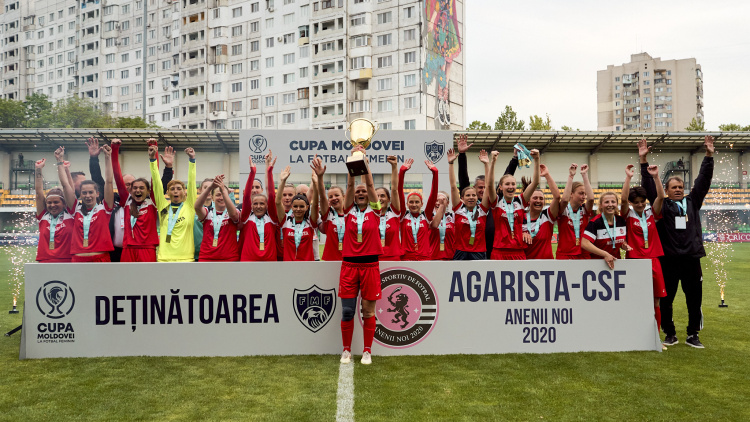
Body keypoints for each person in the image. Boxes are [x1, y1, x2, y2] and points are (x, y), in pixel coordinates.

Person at [640, 136, 715, 348]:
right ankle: (670, 333)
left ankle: (693, 335)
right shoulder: (662, 205)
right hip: (669, 260)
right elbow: (649, 188)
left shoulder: (692, 202)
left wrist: (708, 155)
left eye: (681, 186)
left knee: (694, 300)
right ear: (667, 188)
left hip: (691, 259)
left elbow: (703, 180)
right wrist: (643, 162)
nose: (678, 189)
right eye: (674, 187)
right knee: (666, 300)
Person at [338, 147, 383, 365]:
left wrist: (364, 162)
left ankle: (367, 351)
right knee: (347, 310)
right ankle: (346, 350)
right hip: (349, 265)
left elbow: (371, 185)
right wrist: (353, 162)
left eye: (364, 191)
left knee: (367, 310)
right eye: (358, 192)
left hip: (370, 266)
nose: (361, 192)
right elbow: (349, 185)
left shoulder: (376, 211)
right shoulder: (348, 211)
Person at [621, 163, 667, 333]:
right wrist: (628, 177)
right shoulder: (627, 215)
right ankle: (634, 332)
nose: (640, 205)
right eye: (637, 202)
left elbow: (661, 197)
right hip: (634, 260)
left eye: (642, 202)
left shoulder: (651, 213)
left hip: (653, 260)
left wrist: (656, 177)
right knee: (635, 299)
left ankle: (655, 334)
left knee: (656, 300)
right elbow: (623, 200)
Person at [457, 134, 519, 257]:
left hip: (495, 244)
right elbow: (463, 179)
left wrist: (515, 159)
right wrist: (462, 155)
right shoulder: (469, 199)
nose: (483, 190)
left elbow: (506, 178)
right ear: (474, 188)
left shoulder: (494, 198)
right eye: (480, 187)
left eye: (486, 187)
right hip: (476, 246)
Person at [57, 146, 115, 263]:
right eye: (84, 193)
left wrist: (108, 157)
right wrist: (59, 161)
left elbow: (109, 181)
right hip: (78, 259)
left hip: (100, 258)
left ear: (97, 193)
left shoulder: (104, 208)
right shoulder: (75, 210)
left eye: (90, 192)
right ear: (81, 194)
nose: (87, 196)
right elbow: (65, 185)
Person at [111, 139, 159, 262]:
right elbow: (117, 175)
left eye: (142, 188)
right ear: (130, 190)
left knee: (147, 280)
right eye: (135, 188)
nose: (138, 190)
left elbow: (156, 176)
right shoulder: (126, 201)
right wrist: (115, 149)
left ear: (148, 191)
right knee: (126, 280)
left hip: (147, 249)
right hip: (128, 249)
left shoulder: (152, 202)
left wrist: (153, 150)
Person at [488, 148, 540, 260]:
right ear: (501, 187)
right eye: (507, 184)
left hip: (518, 252)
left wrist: (537, 160)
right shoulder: (496, 202)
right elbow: (489, 184)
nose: (511, 186)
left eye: (513, 184)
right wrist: (493, 161)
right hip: (499, 252)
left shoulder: (520, 201)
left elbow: (535, 182)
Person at [150, 145, 197, 262]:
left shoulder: (190, 206)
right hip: (164, 258)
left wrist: (192, 161)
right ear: (168, 193)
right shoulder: (163, 206)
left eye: (179, 188)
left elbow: (192, 182)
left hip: (186, 258)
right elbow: (156, 183)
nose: (175, 191)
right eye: (172, 189)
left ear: (184, 192)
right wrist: (152, 160)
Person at [447, 147, 491, 260]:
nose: (471, 197)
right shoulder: (458, 209)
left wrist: (486, 164)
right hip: (460, 251)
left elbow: (488, 186)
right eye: (467, 195)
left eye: (473, 195)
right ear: (462, 198)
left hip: (479, 252)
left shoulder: (482, 210)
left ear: (477, 197)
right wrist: (451, 163)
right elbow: (452, 186)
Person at [240, 152, 279, 261]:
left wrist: (269, 171)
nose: (258, 206)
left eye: (262, 203)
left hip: (269, 262)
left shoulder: (272, 218)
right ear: (251, 206)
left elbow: (271, 195)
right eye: (255, 204)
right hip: (248, 262)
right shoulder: (246, 217)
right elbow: (247, 195)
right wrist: (252, 172)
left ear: (267, 206)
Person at [398, 158, 439, 261]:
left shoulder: (426, 216)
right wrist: (402, 172)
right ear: (407, 204)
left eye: (417, 202)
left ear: (422, 204)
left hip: (424, 257)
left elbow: (433, 195)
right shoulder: (403, 216)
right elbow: (399, 194)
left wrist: (435, 173)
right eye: (411, 202)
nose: (414, 204)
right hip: (406, 257)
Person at [276, 164, 319, 261]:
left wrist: (316, 185)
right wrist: (282, 181)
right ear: (292, 207)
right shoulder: (286, 221)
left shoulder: (310, 222)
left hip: (307, 266)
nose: (298, 209)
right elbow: (278, 202)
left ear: (307, 207)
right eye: (295, 206)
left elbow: (315, 203)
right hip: (289, 266)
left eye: (301, 206)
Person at [34, 158, 73, 262]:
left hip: (67, 261)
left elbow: (69, 190)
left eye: (56, 202)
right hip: (45, 260)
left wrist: (66, 170)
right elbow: (38, 193)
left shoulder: (70, 215)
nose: (52, 205)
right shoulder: (43, 216)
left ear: (64, 203)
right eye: (49, 202)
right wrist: (38, 169)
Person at [581, 192, 631, 269]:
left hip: (616, 263)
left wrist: (623, 244)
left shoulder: (621, 221)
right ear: (601, 205)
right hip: (597, 265)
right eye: (606, 202)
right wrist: (605, 254)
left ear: (617, 204)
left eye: (613, 202)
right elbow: (584, 243)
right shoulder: (595, 222)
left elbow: (617, 240)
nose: (610, 205)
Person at [195, 174, 240, 261]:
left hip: (229, 258)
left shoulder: (233, 212)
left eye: (223, 195)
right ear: (212, 197)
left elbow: (234, 216)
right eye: (218, 195)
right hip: (207, 258)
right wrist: (210, 187)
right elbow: (197, 207)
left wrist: (223, 190)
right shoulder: (207, 212)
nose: (221, 198)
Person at [557, 163, 596, 260]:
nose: (584, 197)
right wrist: (571, 176)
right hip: (565, 254)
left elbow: (591, 199)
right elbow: (564, 200)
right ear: (571, 194)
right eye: (581, 193)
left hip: (583, 253)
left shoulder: (584, 210)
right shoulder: (563, 211)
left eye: (585, 194)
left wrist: (584, 175)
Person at [522, 164, 561, 260]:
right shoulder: (519, 217)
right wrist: (520, 234)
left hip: (546, 267)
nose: (538, 201)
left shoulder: (547, 216)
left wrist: (547, 175)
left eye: (541, 198)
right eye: (535, 198)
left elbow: (557, 197)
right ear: (528, 201)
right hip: (526, 267)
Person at [376, 156, 402, 261]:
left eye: (382, 196)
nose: (379, 199)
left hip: (393, 257)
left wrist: (394, 166)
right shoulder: (370, 215)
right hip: (374, 257)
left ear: (388, 199)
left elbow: (395, 189)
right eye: (376, 196)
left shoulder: (394, 213)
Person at [430, 190, 454, 260]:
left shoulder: (453, 216)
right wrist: (441, 206)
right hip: (432, 257)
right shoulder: (428, 216)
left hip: (450, 257)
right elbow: (434, 225)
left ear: (448, 203)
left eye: (442, 200)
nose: (438, 203)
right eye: (436, 200)